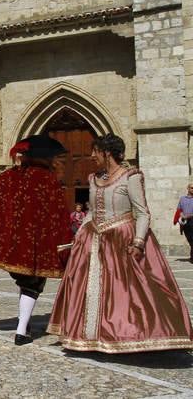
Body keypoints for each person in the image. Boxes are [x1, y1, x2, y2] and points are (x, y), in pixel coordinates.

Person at [48, 134, 193, 353]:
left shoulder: (131, 177)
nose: (92, 155)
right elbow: (92, 213)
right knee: (87, 289)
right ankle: (90, 337)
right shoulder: (92, 178)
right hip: (93, 239)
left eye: (95, 151)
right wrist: (79, 237)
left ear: (107, 152)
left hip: (122, 239)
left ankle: (129, 335)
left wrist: (138, 242)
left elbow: (143, 213)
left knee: (130, 292)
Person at [0, 135, 72, 345]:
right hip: (36, 244)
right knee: (32, 285)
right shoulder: (46, 178)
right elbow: (57, 212)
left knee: (26, 283)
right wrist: (63, 238)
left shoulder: (6, 177)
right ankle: (21, 329)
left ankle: (23, 324)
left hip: (11, 244)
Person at [176, 183, 193, 263]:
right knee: (190, 239)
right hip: (185, 223)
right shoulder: (182, 199)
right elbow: (179, 210)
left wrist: (188, 216)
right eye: (192, 188)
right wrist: (182, 215)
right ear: (188, 188)